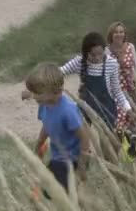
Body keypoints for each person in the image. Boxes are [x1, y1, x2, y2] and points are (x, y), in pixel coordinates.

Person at [26, 62, 91, 196]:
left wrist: (82, 164)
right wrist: (40, 142)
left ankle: (75, 210)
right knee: (48, 190)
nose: (33, 96)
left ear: (56, 91)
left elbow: (84, 138)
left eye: (37, 92)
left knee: (58, 192)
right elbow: (47, 124)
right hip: (58, 157)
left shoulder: (68, 110)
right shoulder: (44, 105)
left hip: (73, 158)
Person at [104, 22, 136, 156]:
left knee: (133, 124)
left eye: (121, 32)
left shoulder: (130, 47)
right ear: (111, 35)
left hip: (130, 90)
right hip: (116, 93)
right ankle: (114, 155)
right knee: (118, 126)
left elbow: (135, 68)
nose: (119, 34)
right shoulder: (107, 51)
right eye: (116, 32)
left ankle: (132, 157)